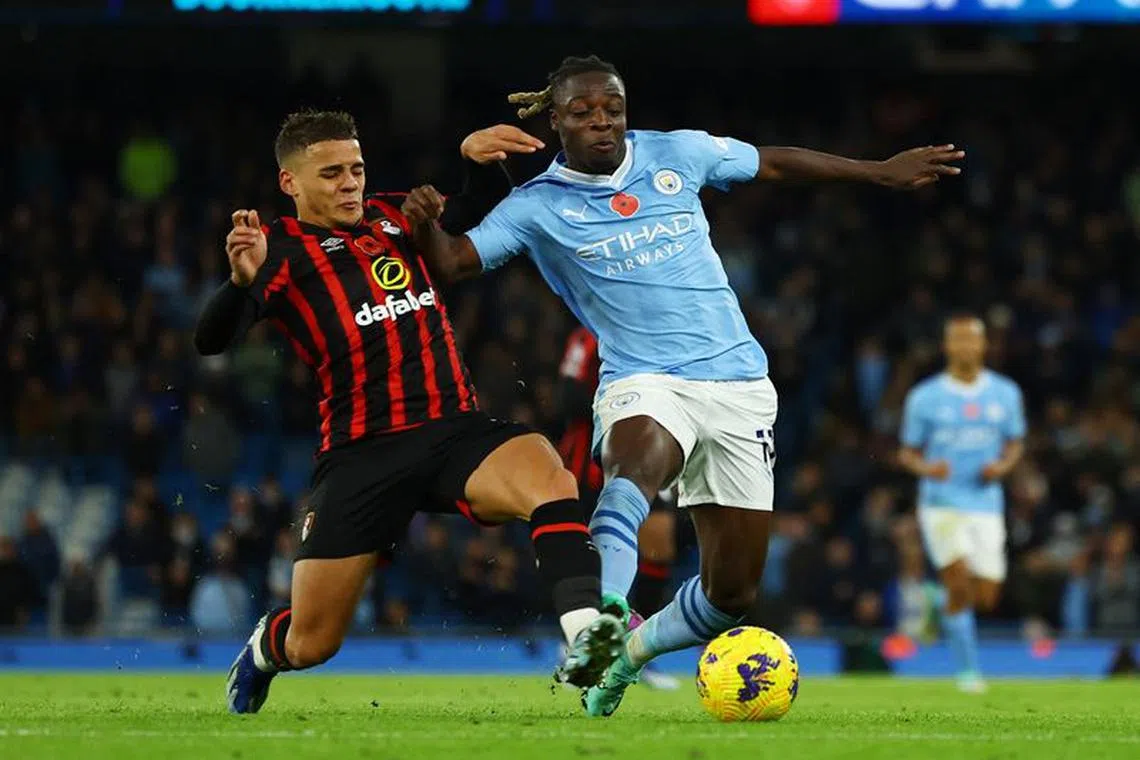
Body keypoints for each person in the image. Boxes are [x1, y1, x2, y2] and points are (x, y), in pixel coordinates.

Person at [399, 54, 963, 716]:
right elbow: (454, 263)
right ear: (555, 122)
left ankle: (629, 655)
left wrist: (876, 172)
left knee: (732, 594)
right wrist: (424, 223)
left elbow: (773, 161)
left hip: (740, 386)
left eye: (612, 109)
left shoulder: (679, 154)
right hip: (643, 378)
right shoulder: (536, 207)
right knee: (636, 466)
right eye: (582, 114)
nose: (602, 124)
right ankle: (603, 615)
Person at [195, 110, 623, 715]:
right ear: (290, 183)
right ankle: (265, 649)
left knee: (550, 476)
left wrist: (480, 162)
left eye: (357, 169)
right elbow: (211, 340)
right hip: (361, 455)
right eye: (332, 173)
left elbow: (477, 209)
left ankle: (588, 641)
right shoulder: (278, 250)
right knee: (312, 642)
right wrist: (239, 285)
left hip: (455, 431)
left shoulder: (396, 215)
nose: (350, 183)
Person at [898, 314, 1026, 693]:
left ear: (983, 346)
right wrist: (927, 467)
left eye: (972, 339)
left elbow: (1016, 443)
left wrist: (1001, 466)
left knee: (985, 595)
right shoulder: (925, 397)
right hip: (941, 503)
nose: (965, 346)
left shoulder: (1005, 394)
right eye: (958, 340)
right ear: (947, 346)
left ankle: (936, 602)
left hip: (985, 502)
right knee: (958, 582)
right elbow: (906, 453)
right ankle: (969, 673)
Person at [557, 323, 679, 690]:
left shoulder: (667, 331)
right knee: (590, 548)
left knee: (659, 542)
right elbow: (567, 395)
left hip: (654, 445)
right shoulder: (588, 335)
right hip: (592, 460)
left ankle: (638, 648)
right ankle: (578, 640)